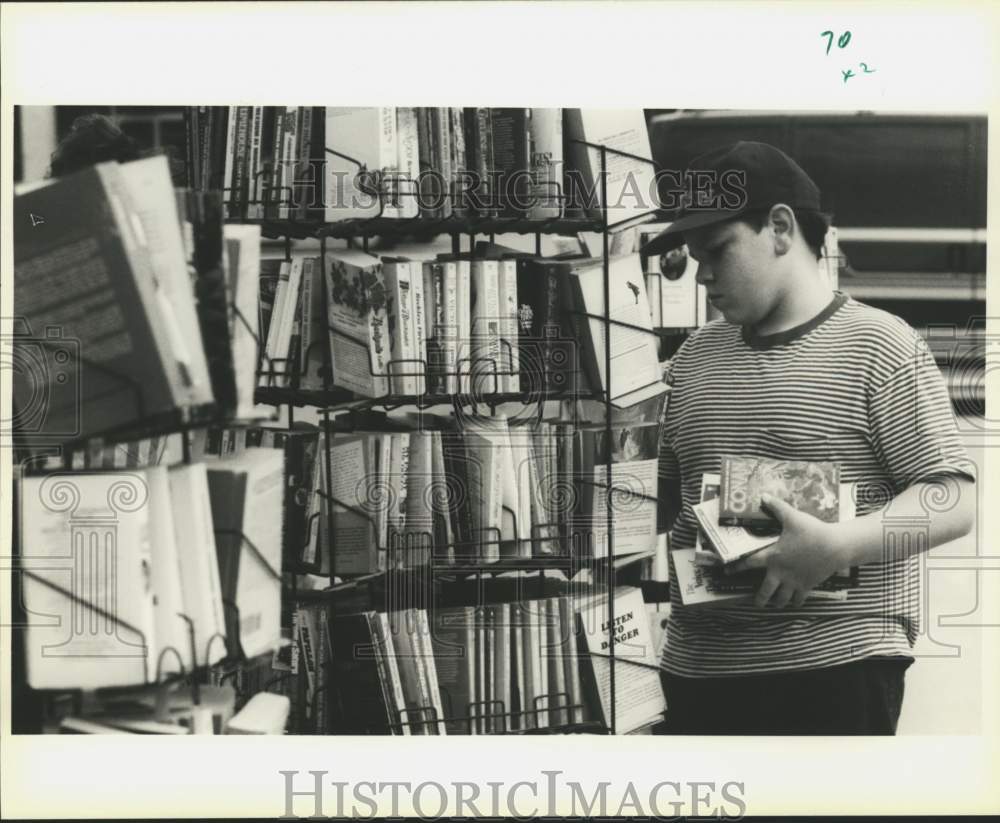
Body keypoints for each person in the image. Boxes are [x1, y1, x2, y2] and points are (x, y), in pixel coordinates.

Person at [642, 141, 976, 735]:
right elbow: (665, 508)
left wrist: (837, 545)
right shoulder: (694, 357)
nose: (704, 275)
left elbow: (952, 501)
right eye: (694, 257)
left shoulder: (882, 345)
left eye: (717, 250)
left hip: (835, 667)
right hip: (698, 670)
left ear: (779, 227)